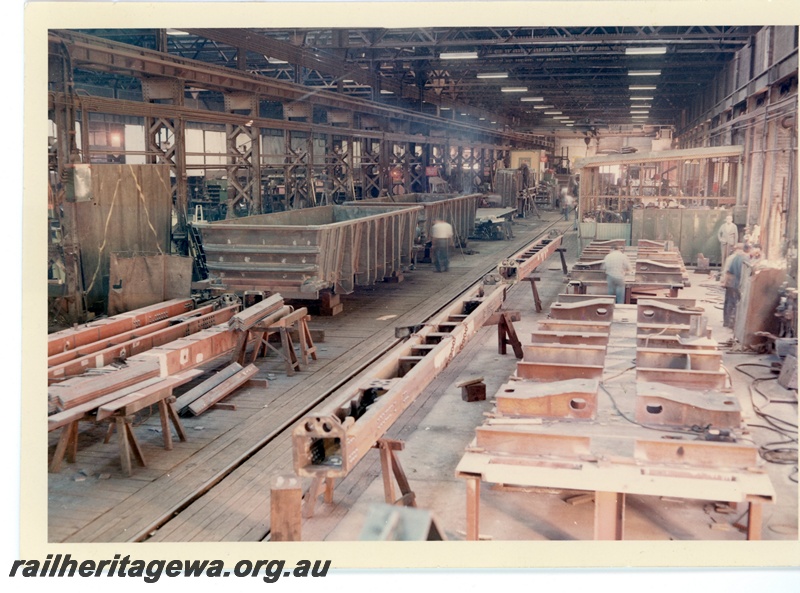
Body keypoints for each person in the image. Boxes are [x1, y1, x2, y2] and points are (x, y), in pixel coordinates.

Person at [722, 243, 750, 329]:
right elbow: (741, 274)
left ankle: (726, 321)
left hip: (730, 282)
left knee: (728, 301)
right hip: (735, 282)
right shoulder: (744, 259)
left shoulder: (734, 257)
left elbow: (728, 270)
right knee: (734, 303)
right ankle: (731, 322)